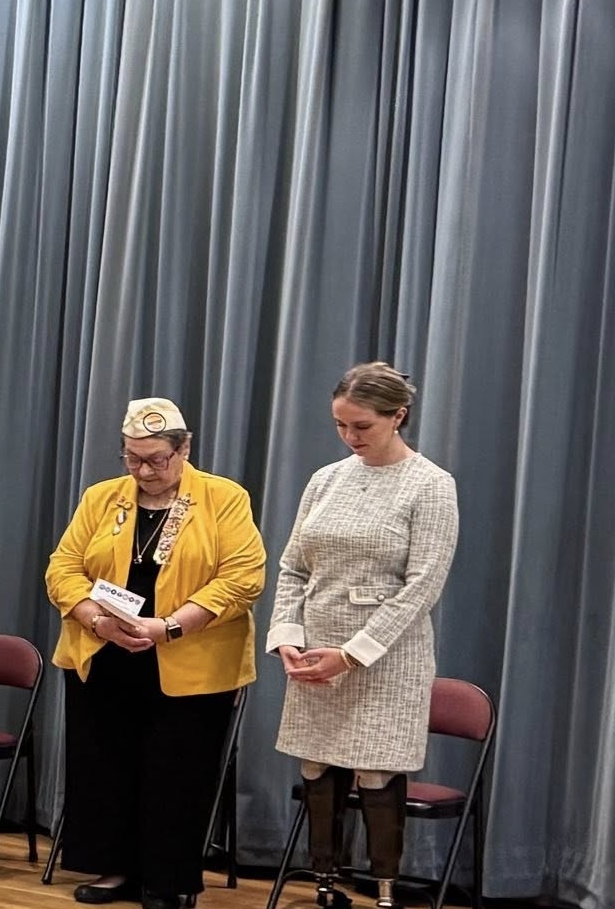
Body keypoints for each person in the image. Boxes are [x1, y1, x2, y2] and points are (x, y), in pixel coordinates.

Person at [43, 398, 266, 909]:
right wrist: (96, 620)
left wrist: (169, 627)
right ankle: (113, 867)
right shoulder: (103, 497)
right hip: (105, 651)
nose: (144, 471)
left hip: (189, 659)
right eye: (132, 459)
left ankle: (167, 880)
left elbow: (242, 578)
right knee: (103, 764)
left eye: (157, 460)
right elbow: (63, 568)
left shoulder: (223, 498)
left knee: (175, 772)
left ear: (184, 449)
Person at [268, 363, 458, 909]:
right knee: (316, 766)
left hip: (384, 658)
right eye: (340, 426)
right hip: (314, 652)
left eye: (362, 427)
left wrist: (351, 656)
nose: (350, 438)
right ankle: (324, 881)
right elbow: (293, 568)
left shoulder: (430, 484)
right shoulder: (325, 480)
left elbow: (422, 587)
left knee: (376, 770)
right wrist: (287, 636)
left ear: (398, 416)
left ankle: (384, 891)